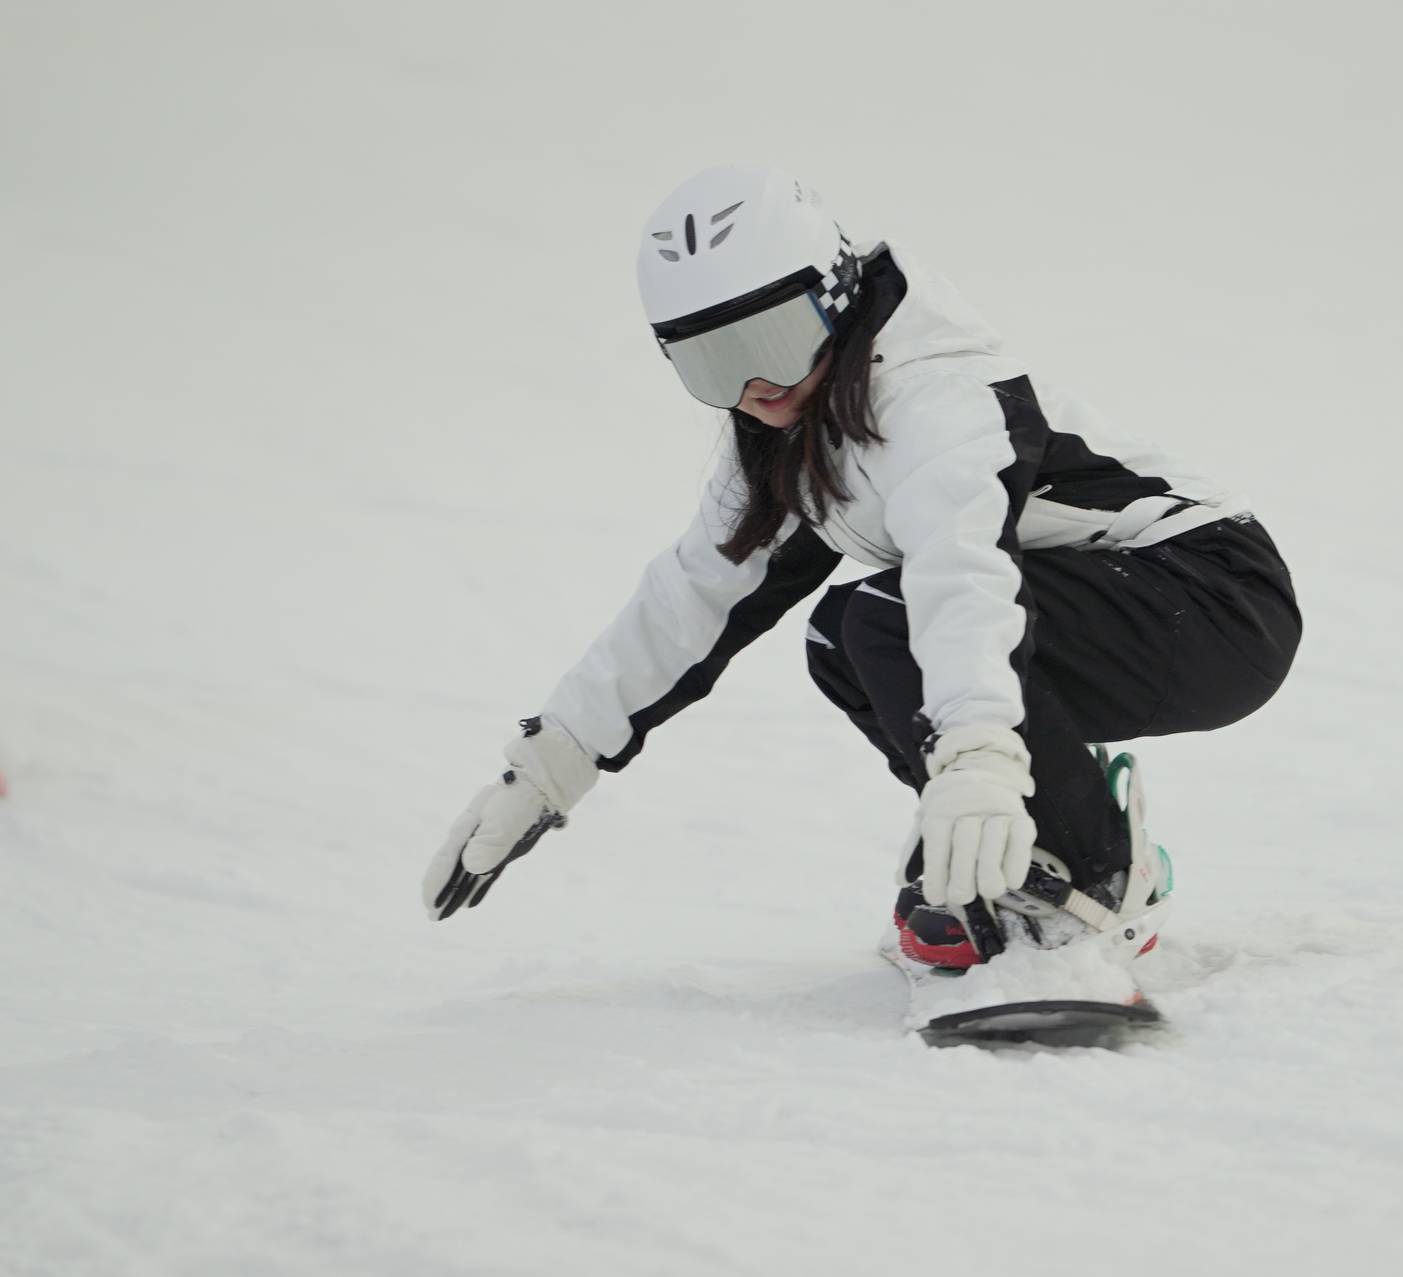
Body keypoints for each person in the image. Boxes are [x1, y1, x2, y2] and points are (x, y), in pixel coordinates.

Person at [422, 163, 1301, 975]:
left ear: (836, 295)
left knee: (886, 616)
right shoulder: (793, 432)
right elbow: (693, 594)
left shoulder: (937, 398)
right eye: (711, 360)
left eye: (772, 336)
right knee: (839, 633)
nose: (755, 385)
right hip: (1109, 606)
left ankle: (1095, 874)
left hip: (1211, 598)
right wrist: (554, 761)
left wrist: (978, 761)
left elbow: (963, 577)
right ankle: (1022, 844)